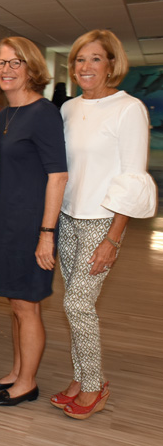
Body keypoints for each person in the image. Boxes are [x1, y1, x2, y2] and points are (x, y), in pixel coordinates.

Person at [52, 30, 157, 419]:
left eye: (95, 59)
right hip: (67, 217)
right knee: (75, 304)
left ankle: (94, 386)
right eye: (80, 59)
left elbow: (133, 175)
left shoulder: (128, 109)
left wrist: (113, 239)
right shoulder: (68, 108)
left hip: (103, 220)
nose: (86, 67)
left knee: (78, 303)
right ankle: (81, 377)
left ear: (112, 64)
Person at [0, 37, 68, 406]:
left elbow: (58, 176)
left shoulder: (44, 112)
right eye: (1, 63)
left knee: (27, 305)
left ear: (31, 68)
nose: (6, 70)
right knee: (16, 304)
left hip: (32, 224)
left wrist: (46, 234)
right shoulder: (3, 115)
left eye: (15, 63)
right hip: (5, 221)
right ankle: (17, 372)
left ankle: (27, 383)